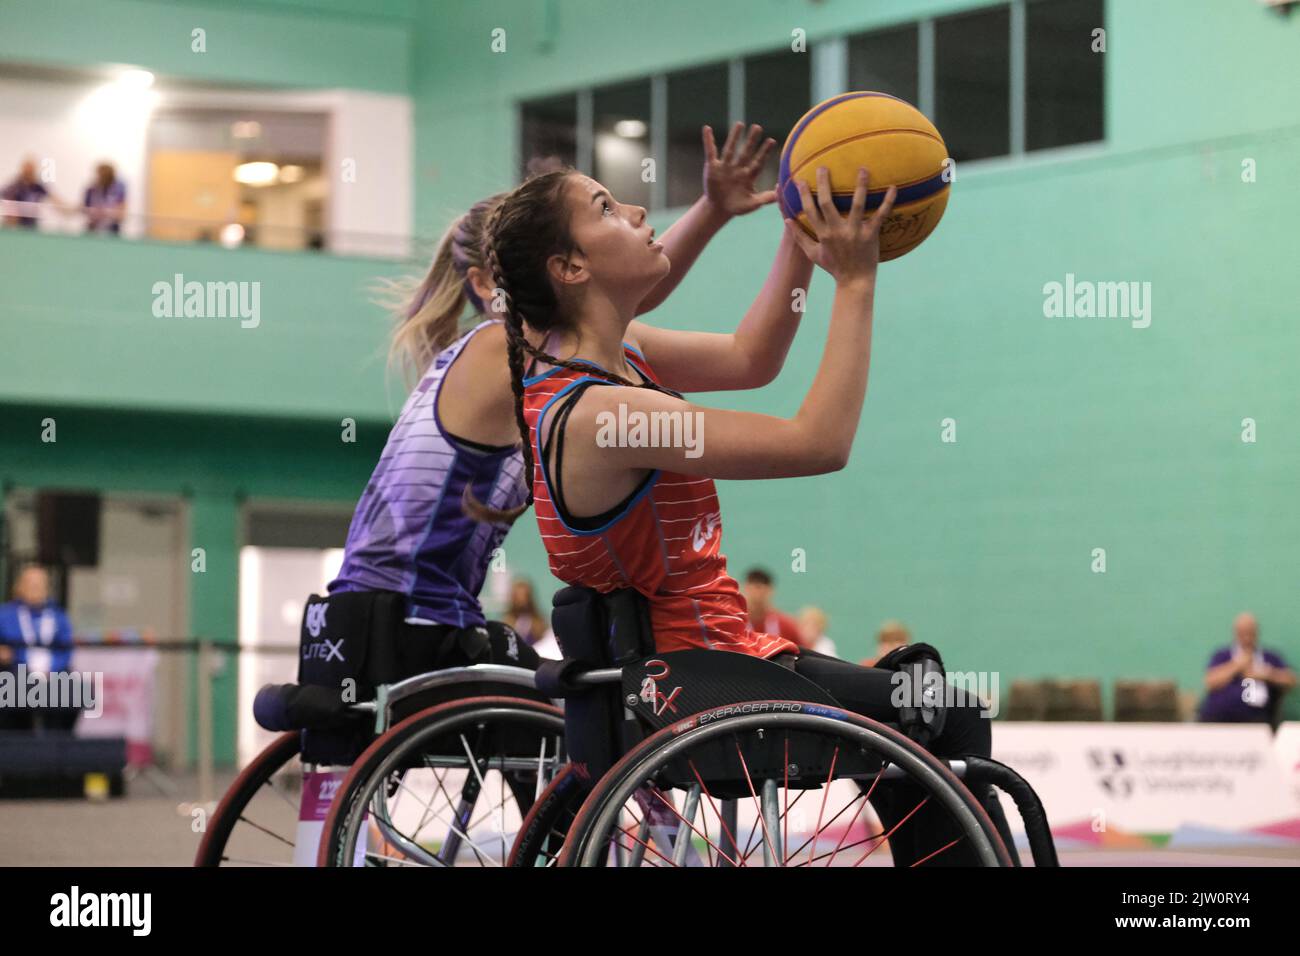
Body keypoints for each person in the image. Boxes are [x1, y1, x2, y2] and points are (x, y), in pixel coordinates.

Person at [479, 158, 992, 865]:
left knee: (921, 702)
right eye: (604, 207)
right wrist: (857, 281)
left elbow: (753, 358)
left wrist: (797, 228)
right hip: (700, 686)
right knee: (949, 713)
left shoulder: (617, 360)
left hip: (710, 663)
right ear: (569, 267)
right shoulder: (607, 415)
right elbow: (819, 442)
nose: (634, 211)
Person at [326, 121, 784, 671]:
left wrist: (712, 210)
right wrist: (712, 214)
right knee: (575, 703)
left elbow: (713, 344)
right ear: (490, 284)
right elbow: (617, 299)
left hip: (383, 617)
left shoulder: (531, 354)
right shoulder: (504, 349)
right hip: (406, 621)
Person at [0, 564, 78, 731]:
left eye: (39, 584)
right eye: (30, 583)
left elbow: (66, 649)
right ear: (19, 587)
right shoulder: (5, 615)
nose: (34, 588)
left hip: (54, 673)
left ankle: (58, 744)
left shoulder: (59, 616)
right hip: (15, 672)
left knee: (74, 691)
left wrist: (52, 669)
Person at [1199, 612, 1295, 725]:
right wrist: (1237, 666)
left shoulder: (1269, 657)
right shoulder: (1222, 655)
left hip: (1257, 719)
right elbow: (1209, 681)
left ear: (1256, 632)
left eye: (1250, 632)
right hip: (1218, 719)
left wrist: (1266, 674)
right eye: (1242, 632)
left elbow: (1291, 680)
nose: (1246, 637)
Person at [742, 567, 801, 646]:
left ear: (770, 590)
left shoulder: (786, 625)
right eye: (755, 587)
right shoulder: (736, 623)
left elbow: (800, 653)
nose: (758, 593)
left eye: (762, 588)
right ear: (746, 588)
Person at [503, 577, 559, 659]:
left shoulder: (539, 622)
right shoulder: (507, 622)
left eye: (524, 595)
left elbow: (547, 643)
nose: (521, 599)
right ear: (513, 597)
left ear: (529, 596)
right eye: (518, 595)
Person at [1, 158, 52, 229]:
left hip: (31, 226)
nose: (29, 172)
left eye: (31, 170)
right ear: (23, 169)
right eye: (27, 169)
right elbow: (5, 197)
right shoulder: (14, 185)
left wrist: (68, 211)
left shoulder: (38, 186)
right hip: (14, 226)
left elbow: (53, 197)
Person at [83, 162, 126, 235]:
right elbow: (85, 209)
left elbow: (121, 214)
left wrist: (108, 213)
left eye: (100, 175)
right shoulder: (91, 190)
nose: (97, 177)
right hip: (93, 228)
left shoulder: (118, 190)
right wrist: (93, 212)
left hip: (112, 229)